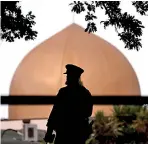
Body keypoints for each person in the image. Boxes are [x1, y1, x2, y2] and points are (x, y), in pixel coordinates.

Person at [44, 64, 93, 144]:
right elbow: (88, 113)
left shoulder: (63, 92)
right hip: (78, 135)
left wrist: (49, 132)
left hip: (64, 134)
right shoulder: (85, 93)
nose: (67, 78)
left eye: (68, 76)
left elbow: (54, 113)